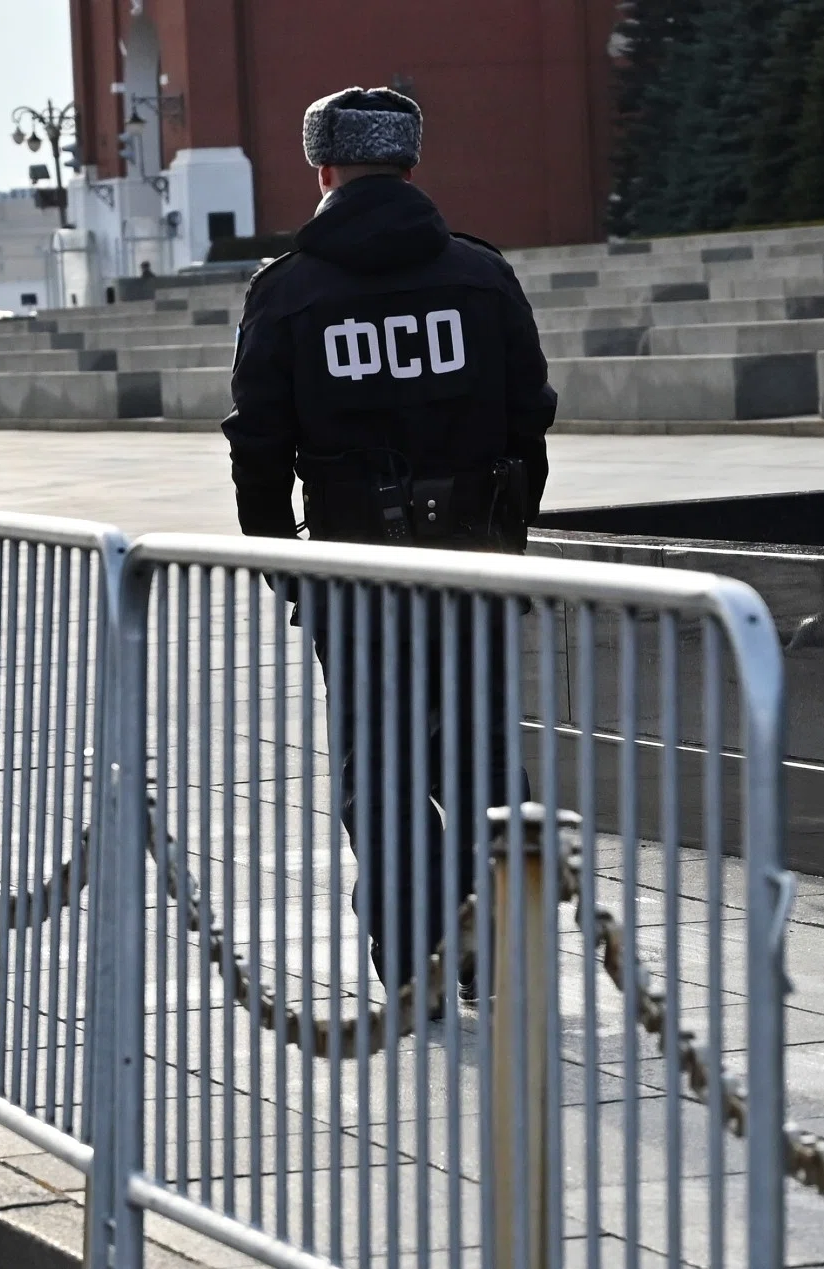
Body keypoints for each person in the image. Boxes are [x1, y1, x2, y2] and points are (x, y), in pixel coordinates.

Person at [223, 86, 556, 1001]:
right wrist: (506, 534)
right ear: (410, 165)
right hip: (473, 560)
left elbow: (258, 445)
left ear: (323, 169)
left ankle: (417, 956)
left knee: (379, 765)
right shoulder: (481, 276)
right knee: (484, 752)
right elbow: (530, 415)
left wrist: (285, 562)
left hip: (353, 568)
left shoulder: (289, 292)